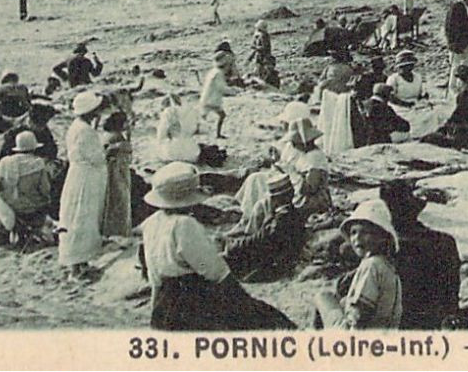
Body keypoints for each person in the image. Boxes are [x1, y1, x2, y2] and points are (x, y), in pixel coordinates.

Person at [140, 162, 294, 329]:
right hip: (190, 300)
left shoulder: (150, 223)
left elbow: (154, 277)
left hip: (165, 303)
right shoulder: (185, 225)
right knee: (266, 319)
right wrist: (243, 299)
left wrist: (155, 314)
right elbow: (215, 271)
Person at [378, 180, 460, 329]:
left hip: (396, 324)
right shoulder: (444, 242)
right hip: (433, 322)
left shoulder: (383, 246)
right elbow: (451, 297)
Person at [314, 200, 403, 329]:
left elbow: (360, 317)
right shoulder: (387, 266)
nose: (357, 238)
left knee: (323, 296)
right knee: (343, 301)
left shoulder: (371, 265)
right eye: (353, 233)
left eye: (365, 232)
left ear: (381, 236)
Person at [58, 90, 110, 280]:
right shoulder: (85, 131)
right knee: (81, 218)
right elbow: (96, 157)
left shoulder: (76, 127)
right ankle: (76, 266)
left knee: (77, 217)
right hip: (85, 178)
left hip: (79, 175)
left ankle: (79, 263)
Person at [222, 170, 309, 282]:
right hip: (277, 255)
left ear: (276, 199)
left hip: (273, 261)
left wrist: (234, 246)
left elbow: (260, 239)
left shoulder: (281, 219)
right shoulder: (292, 213)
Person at [0, 130, 59, 243]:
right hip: (31, 207)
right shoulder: (38, 163)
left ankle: (15, 231)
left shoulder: (5, 162)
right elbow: (45, 189)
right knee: (45, 203)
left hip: (10, 205)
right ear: (34, 147)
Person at [269, 101, 332, 213]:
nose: (292, 144)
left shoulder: (315, 158)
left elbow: (309, 189)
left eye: (295, 141)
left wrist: (291, 172)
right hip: (298, 193)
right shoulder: (303, 153)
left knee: (274, 204)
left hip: (312, 201)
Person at [420, 65, 468, 151]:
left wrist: (444, 128)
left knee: (429, 139)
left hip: (465, 135)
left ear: (463, 80)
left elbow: (458, 115)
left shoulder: (464, 95)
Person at [100, 110, 135, 239]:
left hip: (112, 170)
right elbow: (128, 152)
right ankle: (119, 231)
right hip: (118, 171)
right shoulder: (117, 137)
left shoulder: (109, 135)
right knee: (120, 199)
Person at [197, 58, 228, 139]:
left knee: (202, 116)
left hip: (206, 97)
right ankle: (218, 134)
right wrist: (232, 90)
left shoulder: (212, 71)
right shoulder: (219, 73)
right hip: (213, 99)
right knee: (222, 115)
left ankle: (195, 131)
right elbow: (220, 87)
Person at [248, 21, 278, 87]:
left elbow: (264, 47)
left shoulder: (264, 36)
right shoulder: (258, 35)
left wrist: (255, 47)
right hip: (260, 57)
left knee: (265, 73)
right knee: (258, 72)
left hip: (265, 57)